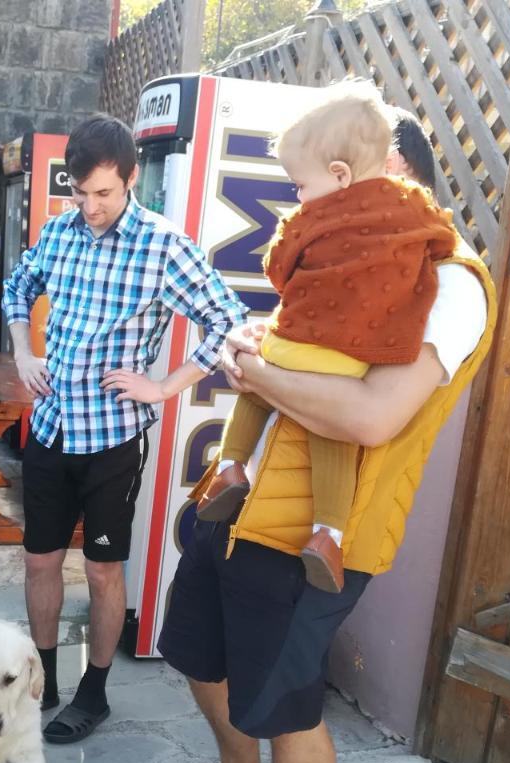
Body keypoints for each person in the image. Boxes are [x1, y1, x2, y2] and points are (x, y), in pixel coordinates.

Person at [147, 95, 496, 763]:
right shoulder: (350, 260)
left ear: (384, 171)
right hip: (238, 508)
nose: (299, 206)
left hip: (315, 540)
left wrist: (258, 371)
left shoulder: (451, 285)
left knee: (289, 708)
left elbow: (370, 414)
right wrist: (252, 348)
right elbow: (296, 352)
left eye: (308, 187)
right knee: (196, 654)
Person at [2, 114, 246, 744]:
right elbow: (17, 286)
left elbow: (229, 321)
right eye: (80, 193)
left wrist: (163, 385)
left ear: (131, 179)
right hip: (52, 427)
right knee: (38, 562)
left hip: (112, 439)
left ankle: (94, 692)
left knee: (105, 570)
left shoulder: (164, 245)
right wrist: (24, 351)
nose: (90, 206)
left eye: (103, 193)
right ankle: (45, 679)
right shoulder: (61, 231)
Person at [194, 81, 457, 594]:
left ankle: (229, 466)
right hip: (352, 354)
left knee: (254, 382)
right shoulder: (415, 216)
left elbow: (278, 266)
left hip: (295, 343)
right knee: (331, 437)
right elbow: (441, 236)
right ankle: (328, 533)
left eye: (298, 185)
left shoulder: (314, 216)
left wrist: (253, 359)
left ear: (340, 172)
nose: (298, 195)